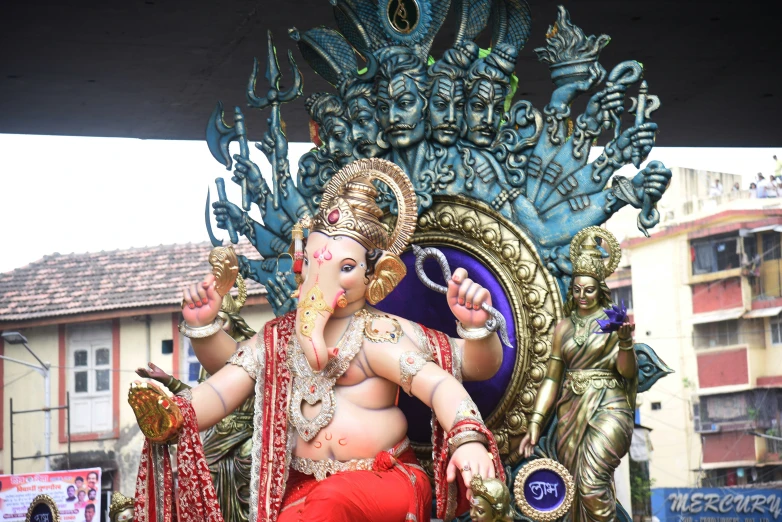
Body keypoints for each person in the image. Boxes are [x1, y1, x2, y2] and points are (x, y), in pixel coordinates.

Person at [129, 158, 505, 522]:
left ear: (378, 276)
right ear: (300, 262)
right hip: (303, 489)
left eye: (344, 268)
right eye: (311, 262)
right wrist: (175, 410)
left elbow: (445, 382)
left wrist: (468, 439)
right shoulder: (279, 338)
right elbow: (224, 387)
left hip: (386, 480)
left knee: (331, 501)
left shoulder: (379, 335)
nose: (319, 277)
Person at [519, 227, 637, 522]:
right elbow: (551, 378)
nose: (583, 296)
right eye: (577, 289)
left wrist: (624, 342)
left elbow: (627, 372)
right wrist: (535, 422)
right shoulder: (564, 327)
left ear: (600, 289)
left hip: (609, 405)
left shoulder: (613, 322)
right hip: (571, 410)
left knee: (590, 485)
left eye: (590, 289)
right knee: (572, 489)